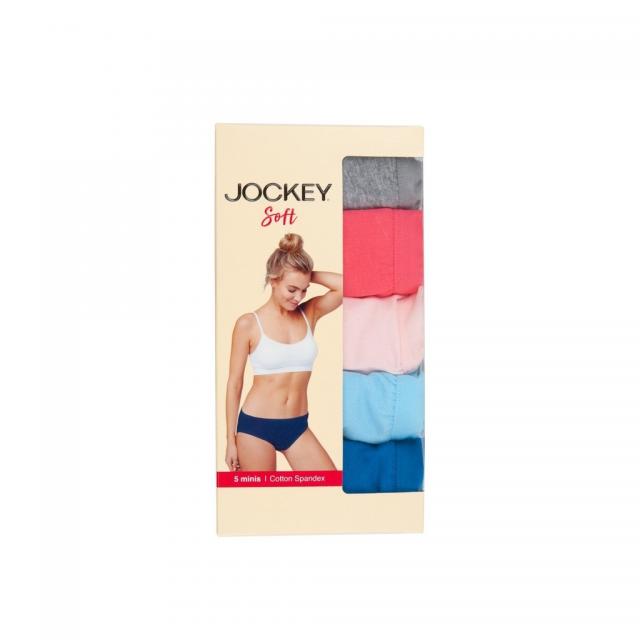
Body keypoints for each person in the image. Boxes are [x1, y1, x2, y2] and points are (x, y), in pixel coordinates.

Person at [225, 233, 342, 471]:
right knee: (264, 494)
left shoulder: (309, 313)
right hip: (256, 428)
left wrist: (304, 273)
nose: (298, 297)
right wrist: (230, 441)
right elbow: (234, 383)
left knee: (328, 485)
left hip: (297, 426)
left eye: (304, 290)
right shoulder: (248, 324)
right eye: (292, 289)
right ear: (273, 280)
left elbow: (346, 286)